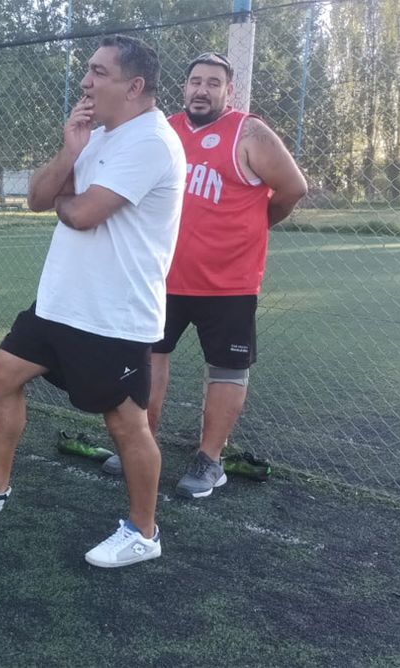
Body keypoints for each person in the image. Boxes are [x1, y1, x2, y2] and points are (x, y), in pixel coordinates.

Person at [0, 36, 186, 568]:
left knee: (125, 422)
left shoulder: (151, 141)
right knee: (2, 369)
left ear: (134, 86)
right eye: (87, 71)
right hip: (61, 301)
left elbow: (82, 213)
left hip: (113, 313)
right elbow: (38, 198)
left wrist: (65, 195)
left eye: (98, 72)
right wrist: (71, 149)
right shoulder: (97, 136)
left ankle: (143, 532)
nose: (86, 82)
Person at [103, 52, 308, 499]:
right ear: (184, 87)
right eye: (195, 81)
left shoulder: (249, 133)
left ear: (228, 91)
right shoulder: (164, 129)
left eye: (213, 83)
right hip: (163, 276)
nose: (202, 90)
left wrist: (255, 226)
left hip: (229, 284)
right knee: (148, 359)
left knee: (227, 370)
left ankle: (210, 460)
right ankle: (142, 443)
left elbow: (293, 188)